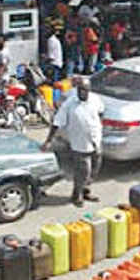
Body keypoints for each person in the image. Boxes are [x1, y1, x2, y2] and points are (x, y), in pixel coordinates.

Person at [42, 77, 104, 207]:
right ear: (77, 90)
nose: (83, 93)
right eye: (81, 90)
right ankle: (77, 194)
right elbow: (57, 122)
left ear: (89, 90)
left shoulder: (95, 99)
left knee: (95, 167)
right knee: (83, 170)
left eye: (85, 90)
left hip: (95, 140)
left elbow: (100, 113)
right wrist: (49, 140)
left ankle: (85, 189)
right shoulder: (70, 104)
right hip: (79, 143)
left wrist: (96, 129)